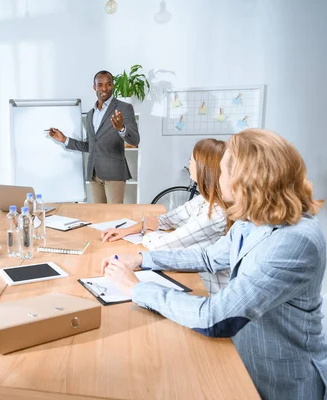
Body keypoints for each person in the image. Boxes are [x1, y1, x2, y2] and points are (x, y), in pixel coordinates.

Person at [101, 129, 327, 399]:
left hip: (280, 380)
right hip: (242, 357)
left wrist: (136, 289)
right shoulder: (254, 214)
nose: (218, 178)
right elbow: (209, 257)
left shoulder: (293, 242)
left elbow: (214, 317)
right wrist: (142, 259)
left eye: (223, 171)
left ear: (245, 179)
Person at [101, 138, 231, 295]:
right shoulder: (204, 199)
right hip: (192, 274)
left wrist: (148, 231)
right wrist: (126, 231)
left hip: (207, 288)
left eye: (192, 160)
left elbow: (161, 245)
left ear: (204, 168)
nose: (189, 163)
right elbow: (167, 219)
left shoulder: (215, 215)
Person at [48, 70, 140, 204]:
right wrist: (64, 139)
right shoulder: (91, 114)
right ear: (94, 87)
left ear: (113, 85)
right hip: (94, 173)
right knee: (98, 215)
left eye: (108, 84)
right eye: (100, 85)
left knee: (114, 216)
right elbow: (91, 145)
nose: (104, 88)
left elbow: (135, 139)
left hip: (114, 173)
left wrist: (121, 128)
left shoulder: (124, 108)